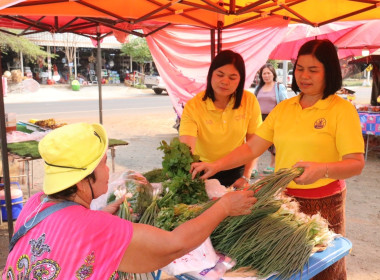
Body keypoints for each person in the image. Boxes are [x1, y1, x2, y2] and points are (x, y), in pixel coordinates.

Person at [190, 39, 365, 280]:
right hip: (286, 203)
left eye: (313, 70)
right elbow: (252, 148)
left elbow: (356, 163)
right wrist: (215, 165)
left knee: (325, 270)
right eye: (300, 68)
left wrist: (323, 169)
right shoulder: (285, 108)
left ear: (329, 72)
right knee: (288, 267)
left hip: (325, 202)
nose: (304, 76)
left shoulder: (341, 110)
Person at [2, 123, 257, 279]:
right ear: (82, 180)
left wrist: (103, 217)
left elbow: (70, 234)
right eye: (103, 164)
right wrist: (223, 207)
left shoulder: (35, 204)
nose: (107, 171)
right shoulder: (94, 228)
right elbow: (173, 245)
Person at [179, 50, 262, 188]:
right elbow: (186, 147)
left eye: (232, 77)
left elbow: (254, 143)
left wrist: (246, 176)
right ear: (211, 74)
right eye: (220, 75)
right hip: (202, 171)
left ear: (240, 80)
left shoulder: (249, 101)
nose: (225, 81)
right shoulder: (194, 106)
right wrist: (186, 169)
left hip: (236, 171)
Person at [254, 63, 288, 174]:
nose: (266, 75)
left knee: (274, 143)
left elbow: (284, 103)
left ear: (273, 74)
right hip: (260, 118)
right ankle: (254, 167)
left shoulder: (279, 87)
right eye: (264, 73)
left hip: (274, 118)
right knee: (258, 142)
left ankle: (273, 164)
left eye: (268, 73)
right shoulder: (259, 88)